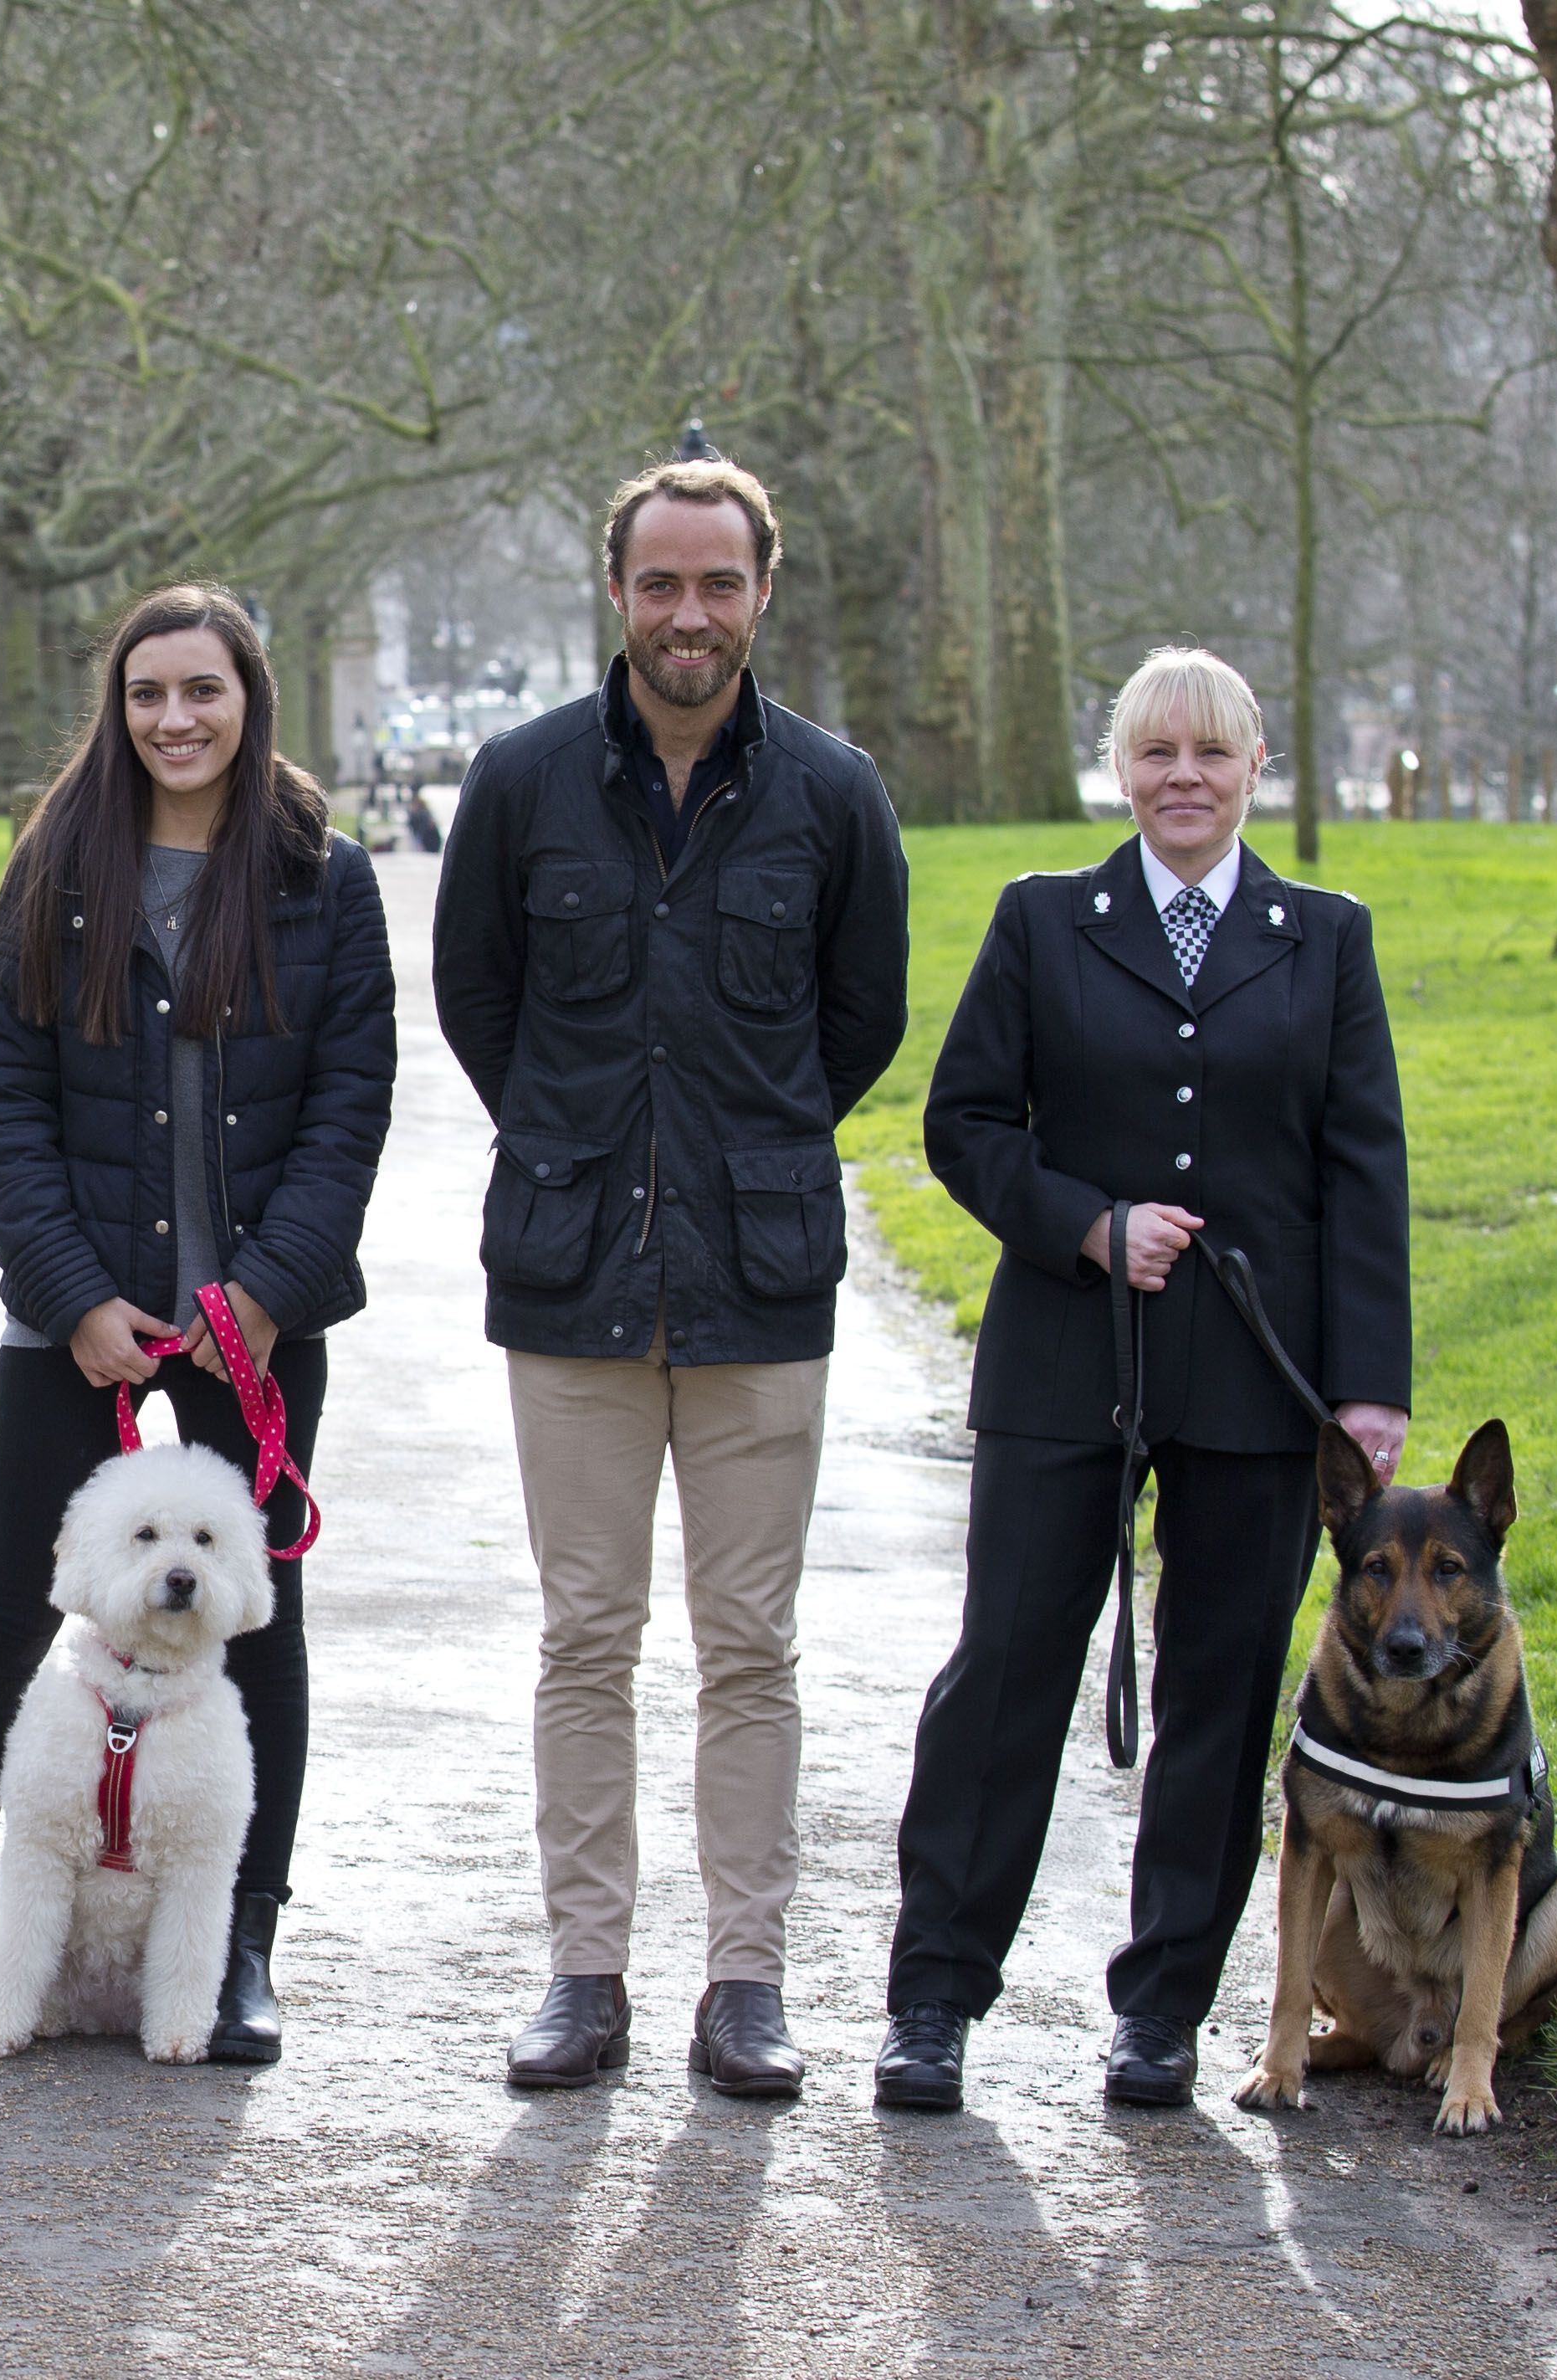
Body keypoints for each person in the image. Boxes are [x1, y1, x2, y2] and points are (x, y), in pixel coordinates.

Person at [429, 456, 909, 2098]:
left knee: (748, 1640)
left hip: (757, 1277)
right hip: (567, 1277)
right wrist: (580, 1147)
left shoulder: (833, 796)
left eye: (716, 583)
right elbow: (475, 1004)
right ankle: (583, 1971)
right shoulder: (520, 782)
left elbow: (858, 1023)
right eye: (659, 584)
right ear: (616, 592)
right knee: (583, 1632)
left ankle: (744, 1981)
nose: (687, 614)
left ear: (758, 592)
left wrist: (736, 1157)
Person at [875, 647, 1409, 2114]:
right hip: (1065, 1357)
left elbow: (1366, 1167)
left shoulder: (1326, 936)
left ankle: (1163, 2009)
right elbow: (966, 1121)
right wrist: (1087, 1225)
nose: (1185, 777)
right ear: (1121, 767)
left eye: (1214, 754)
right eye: (1158, 752)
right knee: (1006, 1676)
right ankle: (934, 1999)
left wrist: (1367, 1391)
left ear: (1255, 771)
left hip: (1260, 1378)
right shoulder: (1046, 922)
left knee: (1223, 1691)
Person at [0, 583, 396, 2064]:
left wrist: (261, 1296)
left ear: (251, 700)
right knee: (4, 1613)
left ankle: (239, 1946)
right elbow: (7, 1098)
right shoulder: (61, 864)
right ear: (119, 705)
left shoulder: (322, 878)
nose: (176, 719)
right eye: (149, 693)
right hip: (78, 1314)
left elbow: (351, 1112)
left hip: (257, 1321)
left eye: (204, 692)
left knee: (261, 1627)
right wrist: (71, 1295)